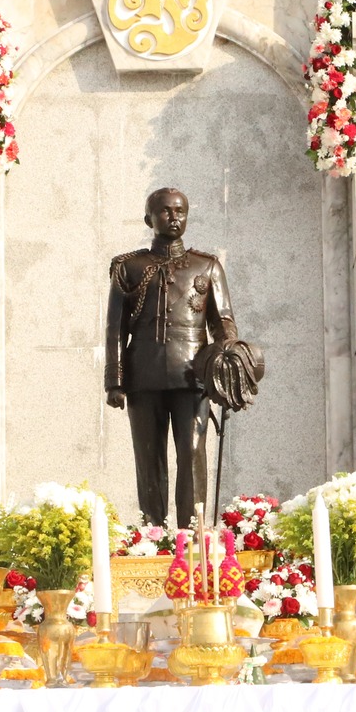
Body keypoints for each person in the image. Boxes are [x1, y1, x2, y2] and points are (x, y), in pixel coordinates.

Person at [104, 187, 240, 526]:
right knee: (148, 458)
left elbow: (223, 322)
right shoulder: (129, 267)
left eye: (180, 210)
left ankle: (192, 534)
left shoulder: (206, 266)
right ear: (149, 218)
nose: (174, 217)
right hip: (142, 376)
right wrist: (114, 381)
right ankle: (153, 534)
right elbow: (115, 328)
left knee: (193, 455)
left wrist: (227, 360)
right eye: (165, 211)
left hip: (193, 376)